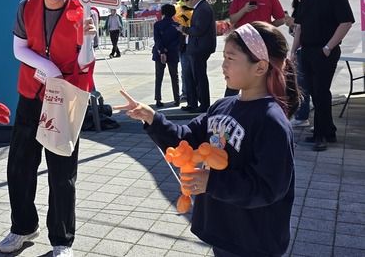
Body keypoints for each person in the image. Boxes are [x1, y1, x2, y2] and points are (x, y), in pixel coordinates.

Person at [117, 22, 299, 257]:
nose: (223, 65)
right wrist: (152, 118)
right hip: (222, 230)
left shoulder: (271, 120)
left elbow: (269, 188)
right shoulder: (222, 107)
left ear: (260, 67)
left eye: (231, 58)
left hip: (254, 240)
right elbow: (186, 140)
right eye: (223, 57)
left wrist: (211, 182)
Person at [0, 0, 96, 257]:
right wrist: (47, 69)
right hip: (32, 94)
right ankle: (23, 228)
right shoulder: (26, 6)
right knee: (19, 166)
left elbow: (85, 62)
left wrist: (91, 38)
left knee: (62, 171)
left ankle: (61, 240)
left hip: (66, 97)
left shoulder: (83, 10)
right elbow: (19, 49)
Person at [291, 0, 354, 151]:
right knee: (312, 91)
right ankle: (328, 131)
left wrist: (328, 47)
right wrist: (293, 50)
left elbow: (346, 23)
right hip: (307, 51)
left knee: (321, 91)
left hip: (325, 52)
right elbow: (299, 26)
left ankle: (321, 135)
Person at [226, 0, 285, 96]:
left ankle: (265, 99)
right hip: (241, 41)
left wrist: (268, 28)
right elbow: (232, 20)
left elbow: (281, 19)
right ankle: (229, 101)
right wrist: (244, 10)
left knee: (263, 72)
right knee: (237, 71)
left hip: (263, 41)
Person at [178, 0, 216, 113]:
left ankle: (204, 104)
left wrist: (184, 29)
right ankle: (192, 103)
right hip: (195, 47)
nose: (187, 4)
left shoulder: (203, 8)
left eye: (186, 1)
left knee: (199, 77)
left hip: (200, 47)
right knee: (191, 76)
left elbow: (199, 30)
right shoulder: (200, 8)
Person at [284, 0, 313, 127]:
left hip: (307, 51)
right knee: (301, 84)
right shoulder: (298, 10)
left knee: (304, 85)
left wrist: (293, 51)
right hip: (301, 51)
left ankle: (302, 116)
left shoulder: (312, 9)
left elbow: (301, 31)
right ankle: (302, 115)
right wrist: (291, 25)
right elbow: (295, 33)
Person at [153, 3, 180, 107]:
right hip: (173, 53)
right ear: (173, 13)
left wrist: (162, 50)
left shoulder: (157, 25)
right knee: (175, 77)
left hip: (159, 53)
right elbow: (177, 42)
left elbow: (157, 39)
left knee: (159, 76)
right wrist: (169, 50)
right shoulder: (176, 26)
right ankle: (176, 99)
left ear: (163, 12)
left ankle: (158, 99)